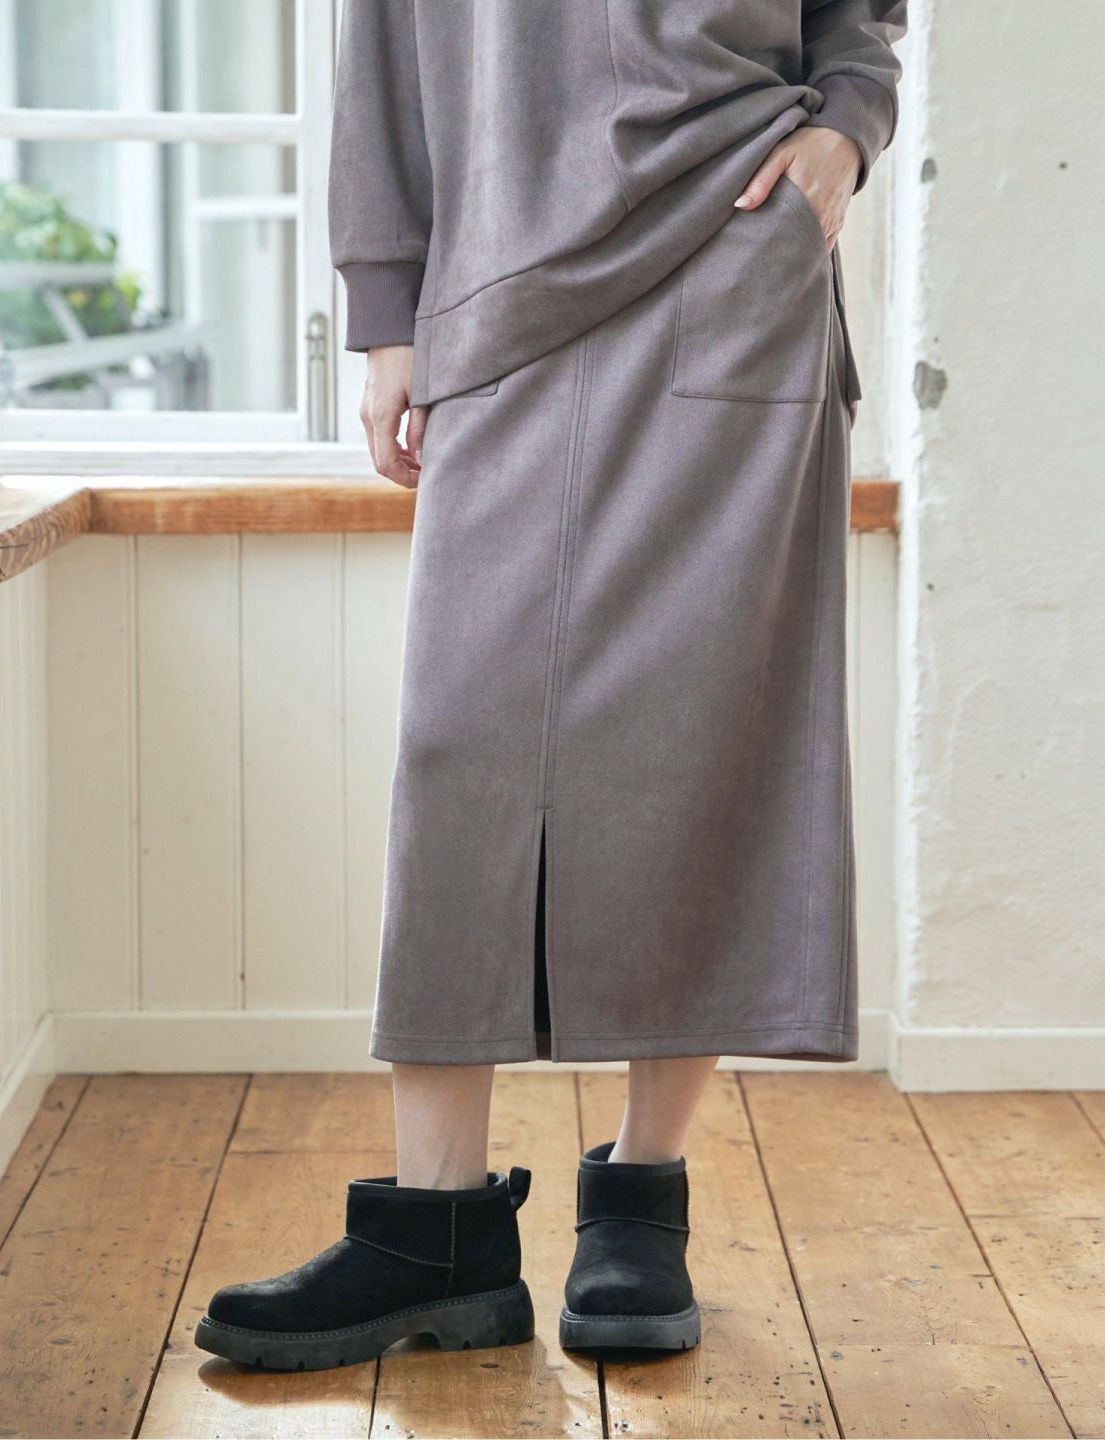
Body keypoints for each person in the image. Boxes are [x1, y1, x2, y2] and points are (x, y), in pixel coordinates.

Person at [196, 0, 906, 1372]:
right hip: (497, 293)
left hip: (733, 254)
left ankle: (641, 1196)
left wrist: (845, 137)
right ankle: (437, 1232)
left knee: (700, 739)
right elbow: (383, 49)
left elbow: (859, 21)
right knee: (460, 750)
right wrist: (386, 314)